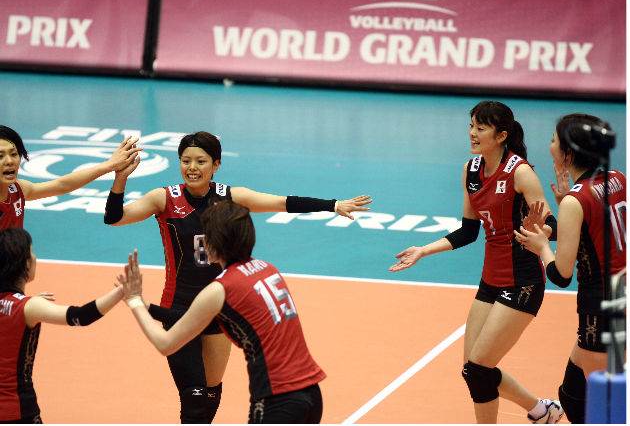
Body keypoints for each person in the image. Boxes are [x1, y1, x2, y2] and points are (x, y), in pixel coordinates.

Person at [103, 131, 370, 423]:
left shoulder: (230, 197)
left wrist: (332, 205)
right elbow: (114, 218)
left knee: (210, 392)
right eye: (185, 161)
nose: (192, 167)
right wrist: (120, 178)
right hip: (178, 305)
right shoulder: (164, 198)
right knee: (193, 395)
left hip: (220, 308)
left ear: (216, 165)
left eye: (201, 161)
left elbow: (282, 202)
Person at [389, 101, 563, 424]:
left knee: (480, 367)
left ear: (501, 135)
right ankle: (542, 410)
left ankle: (541, 411)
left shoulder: (520, 172)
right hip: (490, 279)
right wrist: (423, 251)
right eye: (471, 125)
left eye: (480, 128)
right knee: (472, 369)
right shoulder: (471, 170)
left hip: (523, 281)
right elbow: (469, 231)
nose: (472, 133)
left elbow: (554, 224)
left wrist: (541, 231)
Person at [117, 200, 326, 423]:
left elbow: (166, 343)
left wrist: (134, 302)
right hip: (311, 394)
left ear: (213, 242)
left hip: (277, 400)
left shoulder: (221, 289)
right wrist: (147, 306)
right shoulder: (267, 269)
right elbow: (193, 318)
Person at [514, 113, 626, 424]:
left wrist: (541, 246)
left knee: (607, 405)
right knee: (573, 394)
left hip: (600, 306)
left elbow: (561, 275)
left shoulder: (576, 201)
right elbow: (597, 229)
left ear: (568, 154)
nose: (549, 146)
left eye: (553, 141)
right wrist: (566, 203)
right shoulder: (617, 178)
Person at [0, 227, 123, 423]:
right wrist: (121, 292)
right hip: (18, 410)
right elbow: (80, 316)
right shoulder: (28, 307)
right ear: (25, 263)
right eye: (32, 252)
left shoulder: (28, 305)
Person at [0, 125, 140, 230]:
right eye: (0, 156)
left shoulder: (17, 189)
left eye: (14, 154)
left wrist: (109, 165)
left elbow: (62, 185)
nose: (9, 161)